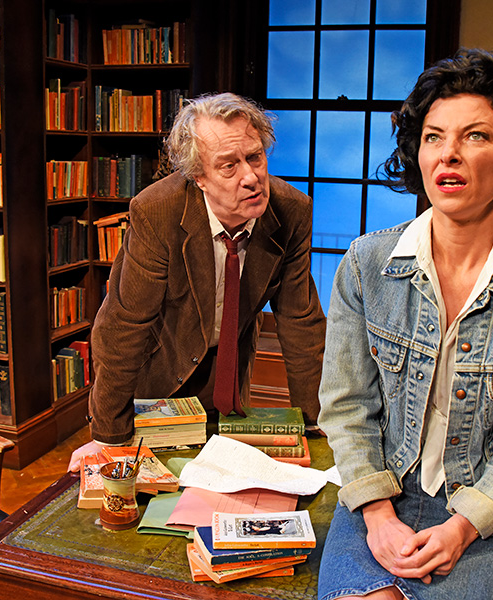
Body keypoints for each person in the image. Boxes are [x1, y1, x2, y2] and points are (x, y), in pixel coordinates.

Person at [317, 48, 493, 600]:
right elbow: (346, 406)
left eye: (475, 136)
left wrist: (463, 526)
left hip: (484, 511)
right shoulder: (366, 265)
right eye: (433, 137)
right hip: (379, 494)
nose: (449, 154)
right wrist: (378, 515)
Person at [68, 93, 325, 471]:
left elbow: (301, 322)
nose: (251, 177)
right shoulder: (157, 211)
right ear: (199, 177)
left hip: (229, 369)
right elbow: (124, 324)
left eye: (255, 157)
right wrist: (108, 435)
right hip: (161, 363)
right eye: (229, 166)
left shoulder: (292, 211)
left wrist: (317, 425)